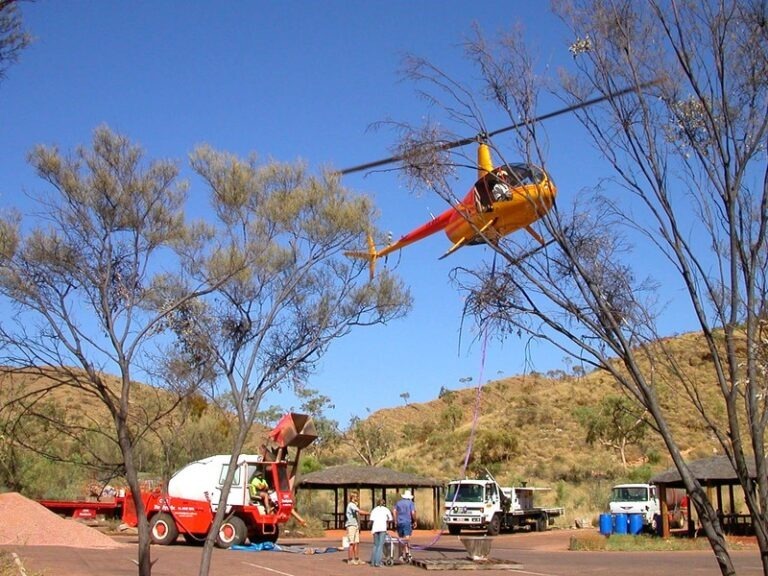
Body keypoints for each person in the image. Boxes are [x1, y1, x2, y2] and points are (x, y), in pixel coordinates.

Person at [345, 492, 368, 565]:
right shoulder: (351, 505)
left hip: (355, 525)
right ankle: (350, 559)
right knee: (351, 543)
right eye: (356, 497)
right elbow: (359, 511)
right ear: (353, 497)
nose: (357, 498)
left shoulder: (354, 505)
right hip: (351, 525)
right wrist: (369, 513)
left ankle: (357, 558)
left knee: (356, 543)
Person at [393, 489, 416, 561]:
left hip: (400, 522)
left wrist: (395, 520)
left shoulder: (398, 503)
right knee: (407, 538)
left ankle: (400, 554)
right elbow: (413, 512)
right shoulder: (411, 503)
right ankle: (407, 553)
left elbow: (394, 511)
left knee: (401, 538)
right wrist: (415, 521)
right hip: (407, 522)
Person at [369, 498, 393, 567]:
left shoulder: (374, 510)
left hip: (375, 528)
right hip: (382, 528)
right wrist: (387, 522)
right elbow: (390, 519)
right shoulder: (386, 510)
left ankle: (373, 562)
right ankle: (378, 562)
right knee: (380, 545)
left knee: (375, 545)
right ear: (384, 504)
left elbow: (371, 520)